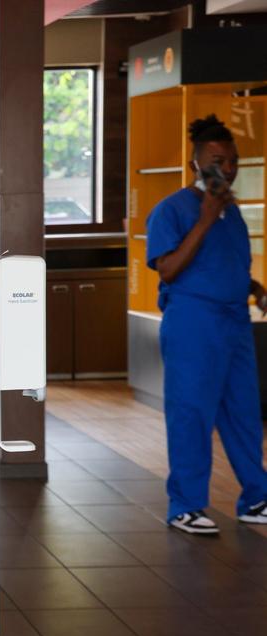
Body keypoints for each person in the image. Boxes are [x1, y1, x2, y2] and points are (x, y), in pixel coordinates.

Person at [146, 114, 267, 535]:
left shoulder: (232, 214)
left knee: (243, 413)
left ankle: (255, 497)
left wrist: (254, 287)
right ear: (197, 163)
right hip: (193, 324)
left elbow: (225, 265)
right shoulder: (173, 209)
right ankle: (185, 505)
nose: (227, 169)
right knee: (192, 413)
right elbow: (169, 269)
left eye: (233, 160)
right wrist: (205, 215)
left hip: (234, 322)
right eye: (217, 160)